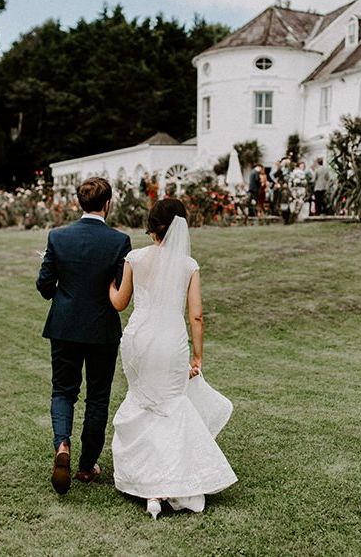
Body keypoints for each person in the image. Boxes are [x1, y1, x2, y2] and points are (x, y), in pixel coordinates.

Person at [109, 198, 237, 519]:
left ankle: (147, 485)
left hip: (137, 340)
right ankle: (164, 486)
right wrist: (198, 356)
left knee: (143, 402)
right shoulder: (188, 265)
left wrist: (106, 285)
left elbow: (120, 302)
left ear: (152, 225)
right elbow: (196, 316)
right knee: (169, 405)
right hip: (170, 343)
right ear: (181, 226)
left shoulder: (134, 258)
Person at [36, 177, 131, 495]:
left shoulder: (58, 236)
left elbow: (45, 286)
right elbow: (119, 289)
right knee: (98, 397)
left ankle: (62, 445)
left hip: (64, 327)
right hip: (102, 328)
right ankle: (88, 465)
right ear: (108, 204)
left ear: (80, 203)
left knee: (63, 391)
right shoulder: (119, 241)